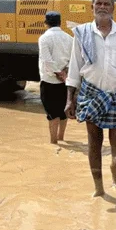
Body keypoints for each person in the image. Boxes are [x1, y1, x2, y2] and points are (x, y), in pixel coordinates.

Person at [65, 0, 116, 198]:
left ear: (113, 8)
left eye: (107, 4)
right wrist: (70, 99)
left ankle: (115, 164)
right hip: (91, 93)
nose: (103, 7)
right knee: (93, 141)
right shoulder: (82, 34)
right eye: (99, 3)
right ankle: (98, 187)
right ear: (92, 7)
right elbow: (74, 68)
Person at [38, 11, 72, 144]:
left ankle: (53, 143)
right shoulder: (69, 38)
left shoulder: (44, 38)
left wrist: (58, 73)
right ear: (60, 22)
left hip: (49, 80)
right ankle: (61, 138)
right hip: (65, 80)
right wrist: (64, 73)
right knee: (63, 112)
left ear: (46, 23)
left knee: (52, 113)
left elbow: (47, 61)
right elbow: (73, 59)